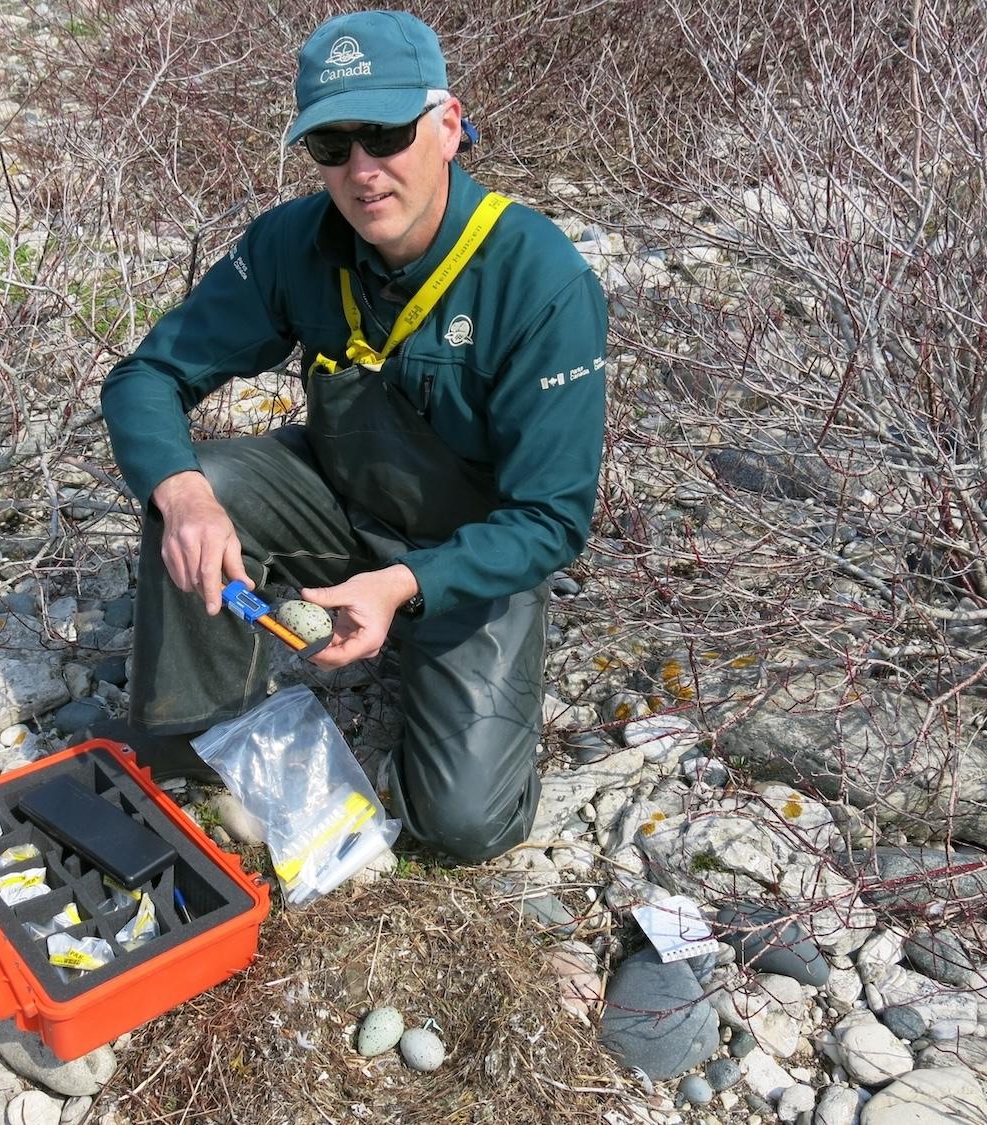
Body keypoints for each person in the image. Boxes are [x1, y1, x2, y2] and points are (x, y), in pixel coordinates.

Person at [100, 10, 607, 862]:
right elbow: (147, 377)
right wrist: (183, 496)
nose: (362, 170)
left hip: (466, 556)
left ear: (447, 126)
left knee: (462, 824)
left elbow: (553, 518)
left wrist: (404, 585)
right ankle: (194, 748)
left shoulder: (540, 280)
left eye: (384, 133)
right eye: (332, 146)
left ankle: (440, 660)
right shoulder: (294, 242)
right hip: (339, 501)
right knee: (199, 486)